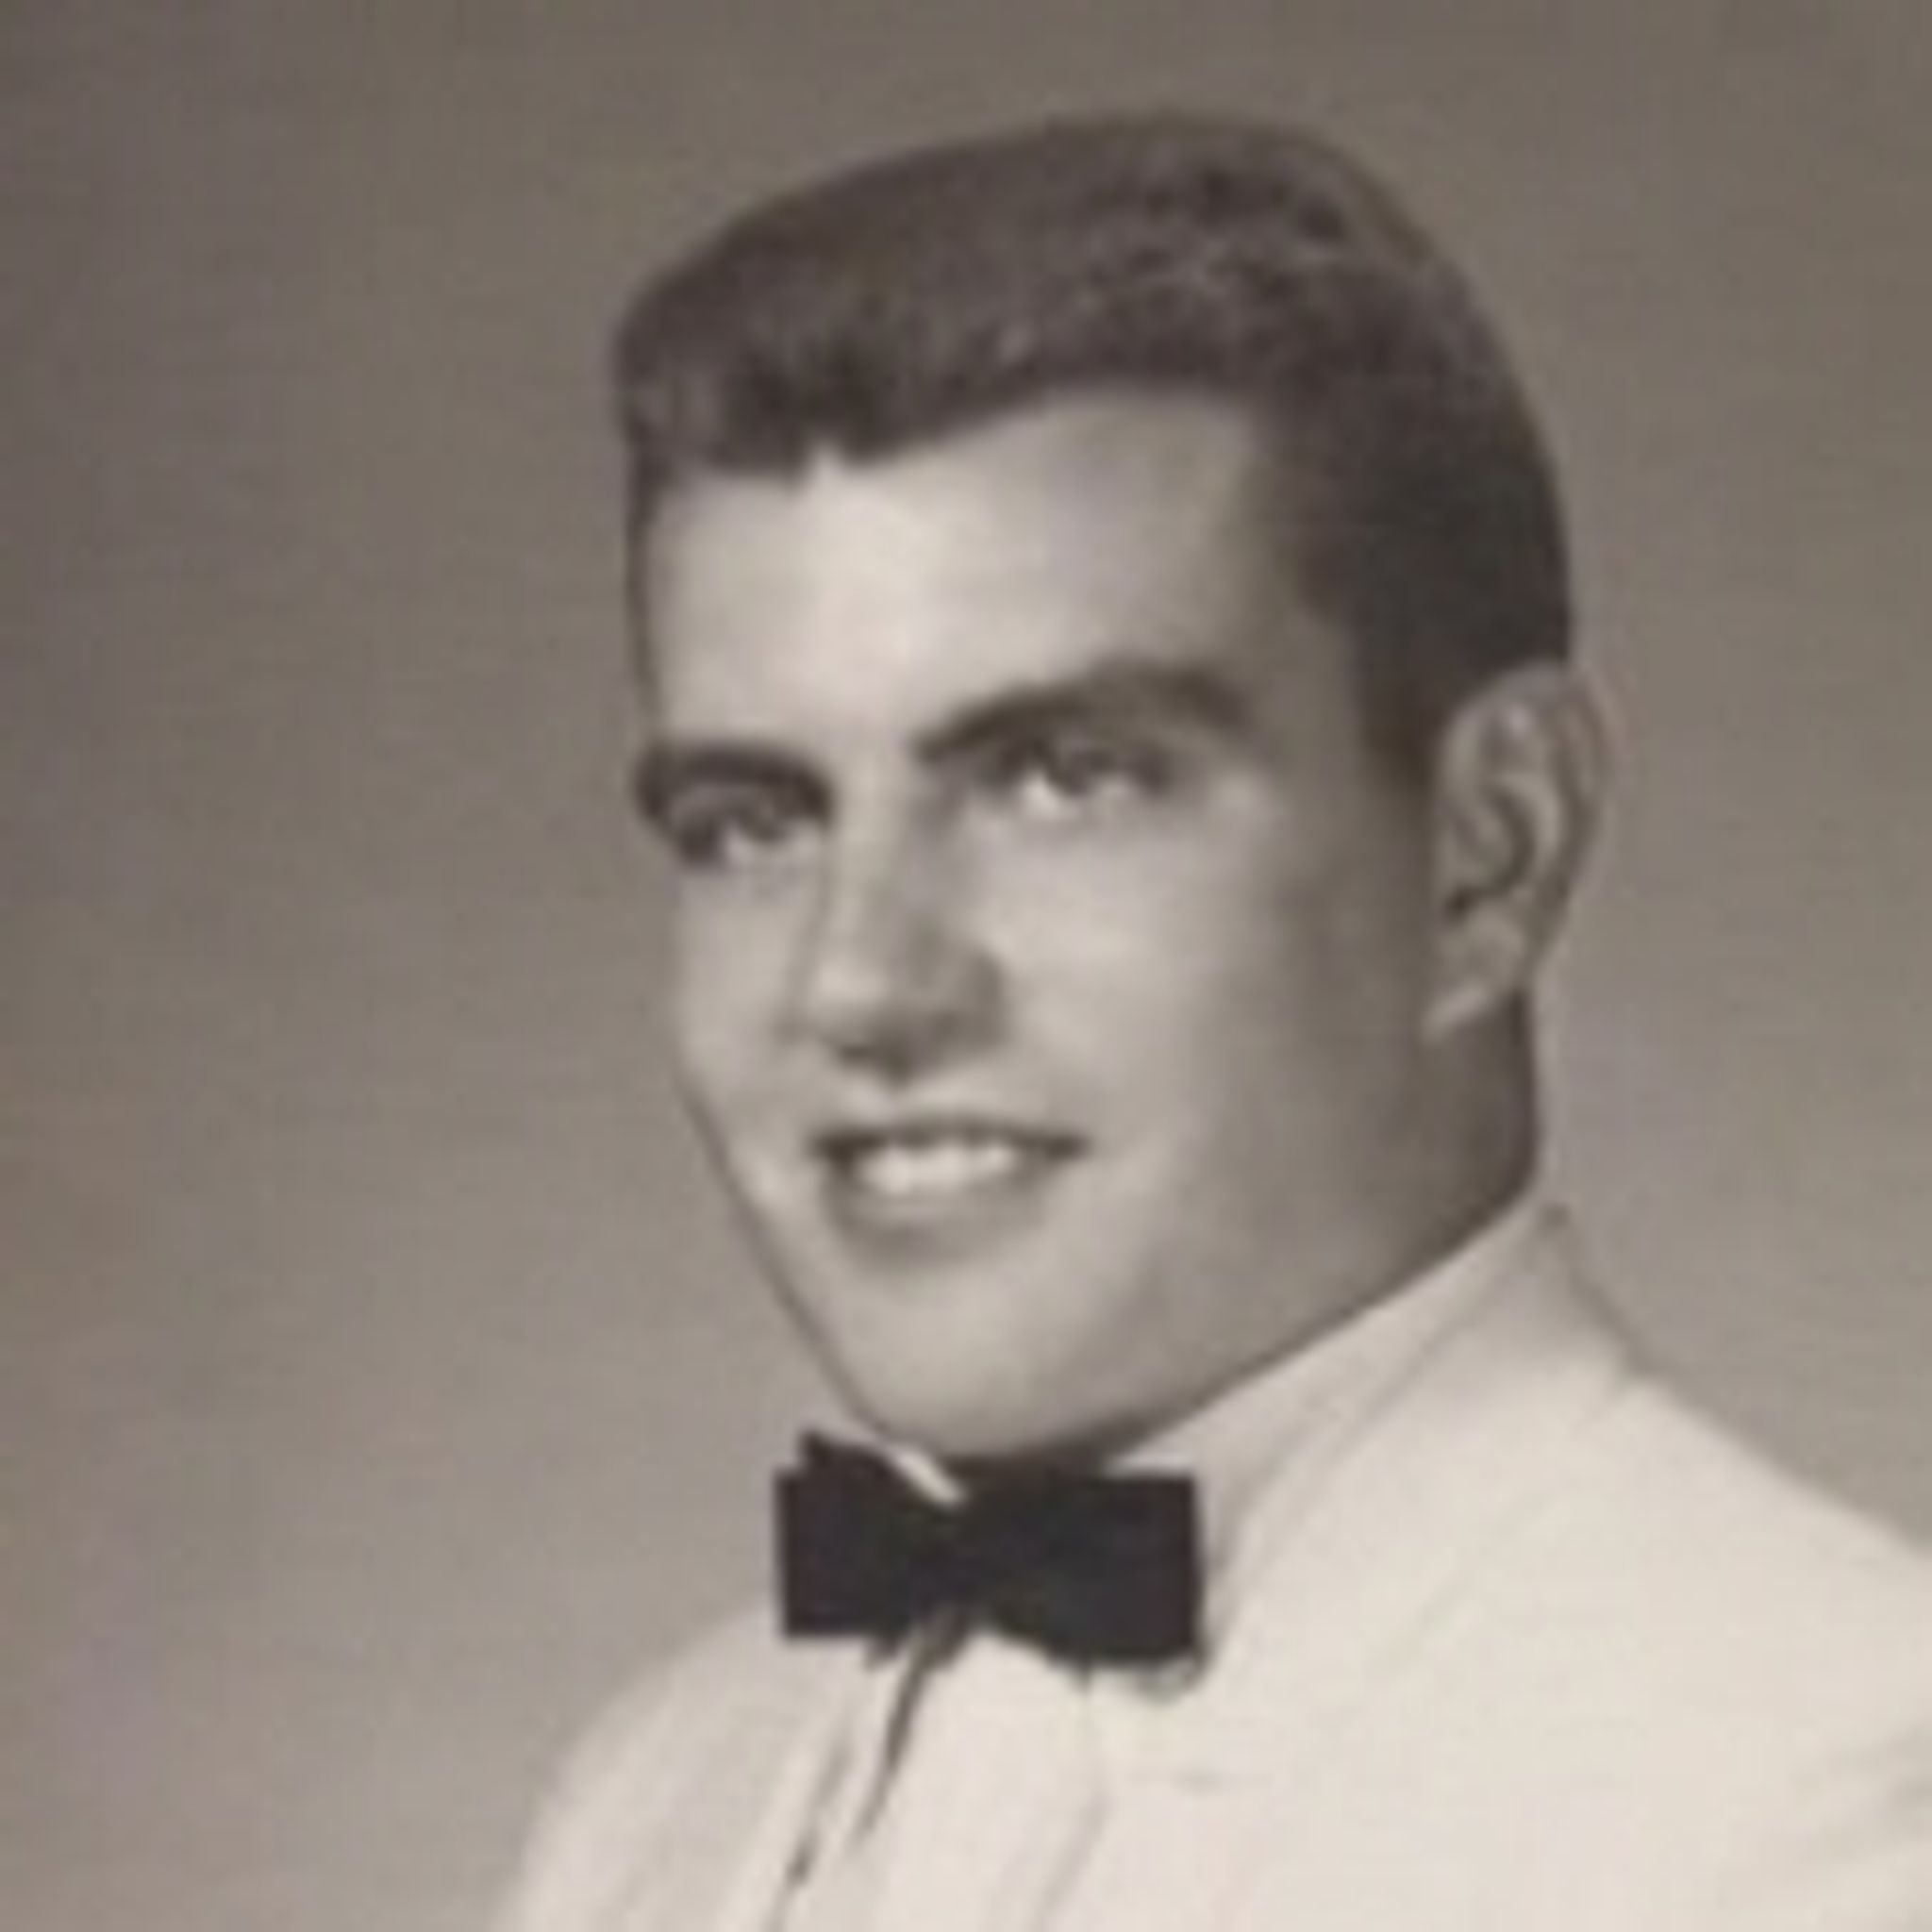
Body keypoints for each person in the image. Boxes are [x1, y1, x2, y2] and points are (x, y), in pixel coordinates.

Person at [501, 112, 1932, 1932]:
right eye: (752, 824)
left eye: (1065, 777)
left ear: (1490, 852)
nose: (857, 984)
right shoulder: (654, 1798)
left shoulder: (1845, 1802)